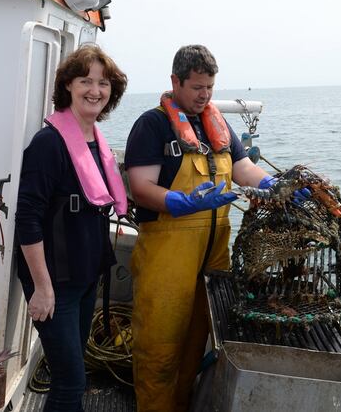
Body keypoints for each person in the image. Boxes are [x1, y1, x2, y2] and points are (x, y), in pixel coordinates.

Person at [124, 44, 311, 411]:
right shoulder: (152, 125)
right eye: (196, 87)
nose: (204, 95)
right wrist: (181, 202)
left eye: (209, 87)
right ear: (175, 81)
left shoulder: (218, 124)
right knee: (159, 351)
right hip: (166, 255)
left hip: (213, 256)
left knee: (196, 346)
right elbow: (141, 189)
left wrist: (274, 185)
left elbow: (243, 169)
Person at [15, 45, 128, 411]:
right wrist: (42, 289)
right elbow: (27, 218)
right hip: (55, 283)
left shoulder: (95, 139)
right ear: (67, 86)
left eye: (103, 83)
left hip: (83, 277)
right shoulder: (48, 144)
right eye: (85, 81)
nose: (95, 90)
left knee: (74, 369)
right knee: (70, 382)